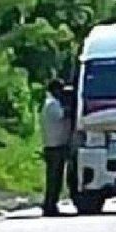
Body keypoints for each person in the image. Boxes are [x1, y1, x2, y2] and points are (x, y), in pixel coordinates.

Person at [41, 78, 72, 217]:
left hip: (54, 145)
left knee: (56, 179)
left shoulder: (50, 103)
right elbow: (63, 115)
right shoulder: (52, 104)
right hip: (54, 147)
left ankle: (51, 205)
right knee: (54, 180)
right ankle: (49, 205)